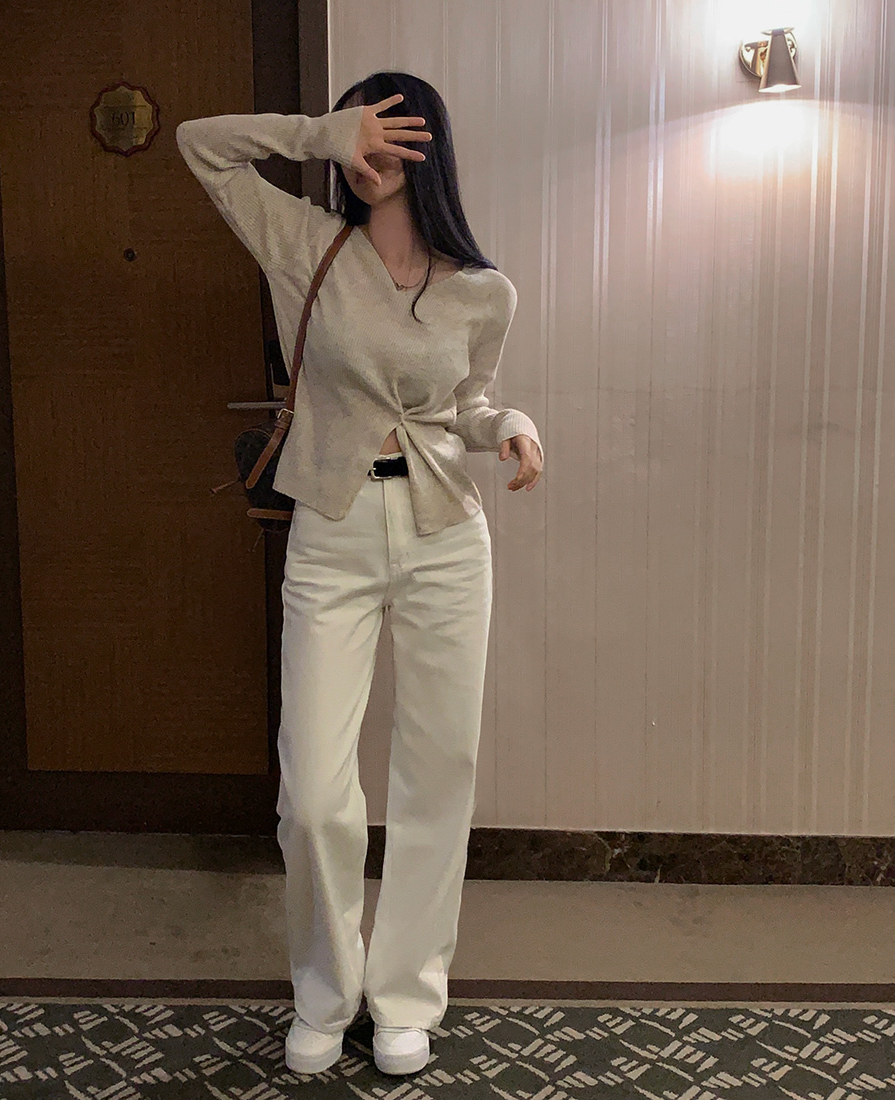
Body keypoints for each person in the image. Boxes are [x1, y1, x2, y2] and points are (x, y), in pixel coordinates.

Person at [176, 69, 543, 1079]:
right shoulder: (303, 244)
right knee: (313, 792)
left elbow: (469, 405)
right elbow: (201, 142)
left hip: (444, 537)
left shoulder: (482, 290)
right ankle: (323, 990)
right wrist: (319, 134)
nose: (374, 149)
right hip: (331, 531)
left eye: (393, 132)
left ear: (431, 151)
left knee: (437, 773)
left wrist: (510, 425)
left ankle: (405, 996)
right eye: (362, 130)